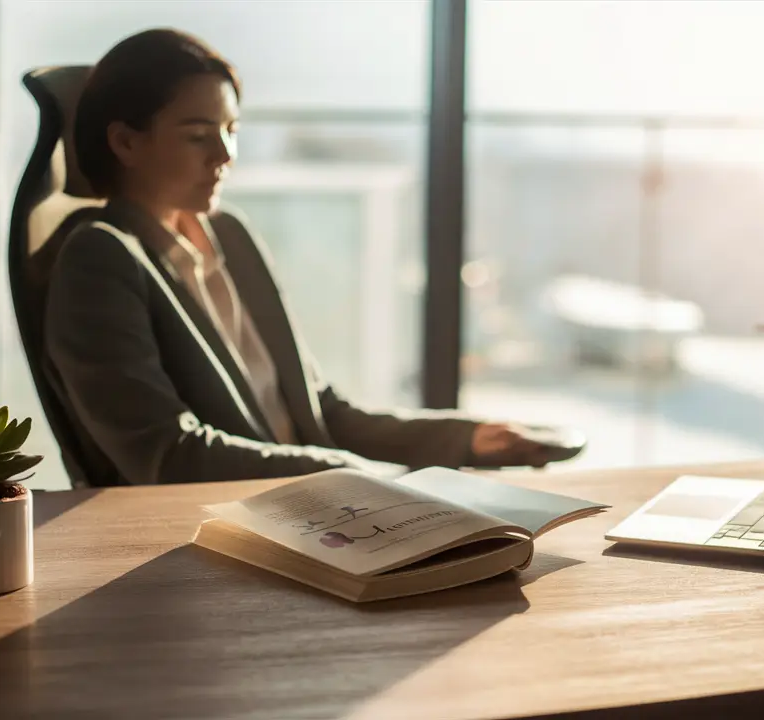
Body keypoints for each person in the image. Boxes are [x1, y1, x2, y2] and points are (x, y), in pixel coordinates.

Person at [43, 28, 552, 486]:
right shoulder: (99, 259)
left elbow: (319, 410)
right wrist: (347, 474)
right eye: (198, 136)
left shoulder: (229, 235)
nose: (225, 155)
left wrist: (468, 439)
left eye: (231, 130)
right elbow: (168, 455)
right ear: (126, 142)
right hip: (220, 526)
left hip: (316, 504)